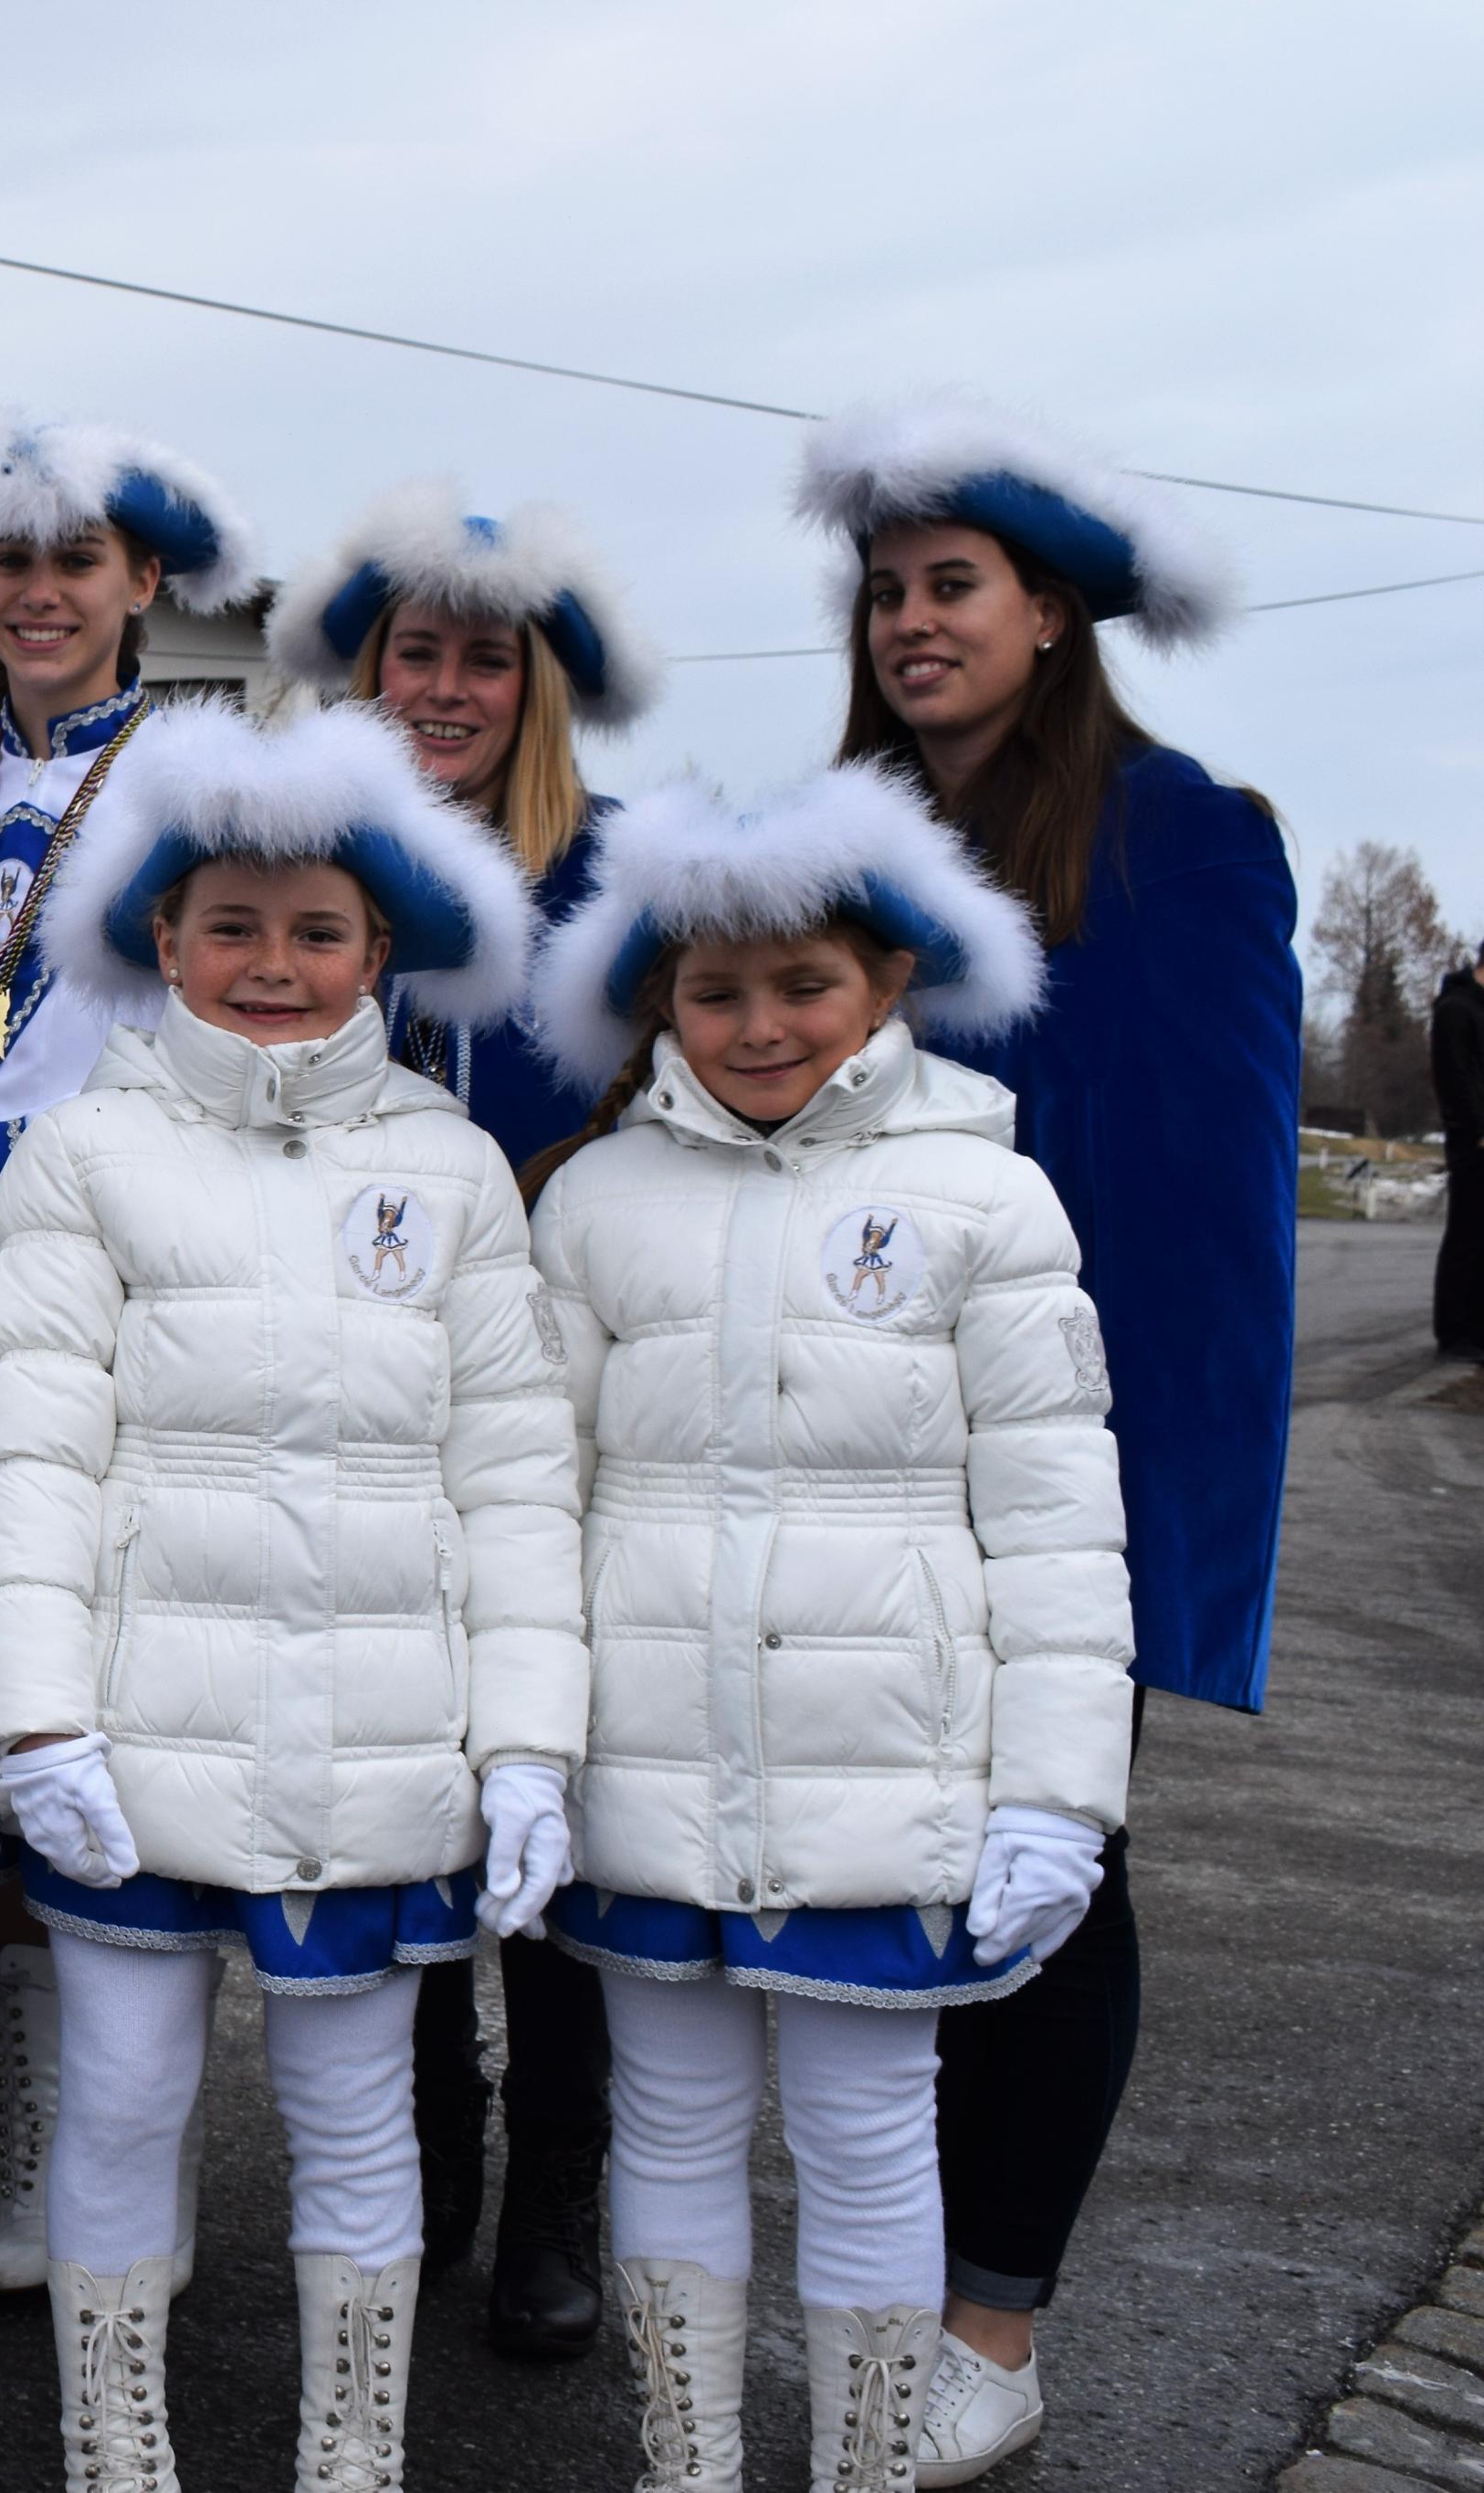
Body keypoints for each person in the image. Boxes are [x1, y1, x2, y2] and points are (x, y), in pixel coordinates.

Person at [0, 697, 572, 2492]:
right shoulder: (84, 1153)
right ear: (162, 938)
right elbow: (33, 1456)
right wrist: (33, 1716)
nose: (271, 964)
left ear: (376, 951)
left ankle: (350, 2453)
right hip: (134, 1733)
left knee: (355, 2117)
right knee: (118, 2105)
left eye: (316, 931)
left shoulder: (450, 1169)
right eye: (229, 925)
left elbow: (511, 1475)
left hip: (376, 1745)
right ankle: (113, 2451)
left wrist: (526, 1745)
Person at [519, 765, 1134, 2493]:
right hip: (647, 1773)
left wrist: (1057, 1794)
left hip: (891, 1784)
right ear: (662, 1002)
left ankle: (862, 2468)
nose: (761, 1024)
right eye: (716, 992)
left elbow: (1057, 1524)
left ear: (889, 982)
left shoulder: (987, 1199)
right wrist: (529, 1747)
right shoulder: (595, 1201)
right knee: (670, 2126)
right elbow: (536, 1501)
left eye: (806, 984)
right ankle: (687, 2464)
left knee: (870, 2140)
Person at [795, 397, 1290, 2483]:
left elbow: (1212, 1225)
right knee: (882, 1876)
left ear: (1054, 613)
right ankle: (890, 2284)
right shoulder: (837, 839)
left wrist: (1161, 1525)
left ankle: (991, 2326)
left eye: (954, 586)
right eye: (885, 592)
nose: (912, 622)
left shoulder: (1182, 837)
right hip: (846, 1450)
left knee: (1049, 1872)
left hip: (1057, 1460)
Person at [269, 480, 666, 2356]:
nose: (440, 687)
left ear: (537, 685)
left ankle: (560, 2182)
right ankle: (432, 2137)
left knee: (554, 1773)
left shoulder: (620, 879)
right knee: (401, 1763)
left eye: (479, 659)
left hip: (558, 1392)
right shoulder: (306, 861)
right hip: (352, 1386)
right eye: (410, 652)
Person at [0, 412, 262, 2297]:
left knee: (118, 1679)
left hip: (122, 1264)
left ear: (142, 582)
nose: (37, 594)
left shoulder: (203, 770)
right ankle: (39, 2137)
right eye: (7, 562)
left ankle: (123, 2146)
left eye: (75, 562)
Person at [1439, 935, 1484, 1356]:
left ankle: (1475, 1327)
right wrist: (1476, 1128)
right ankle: (1456, 1333)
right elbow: (1457, 1077)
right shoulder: (1457, 1009)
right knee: (1467, 1234)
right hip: (1472, 1141)